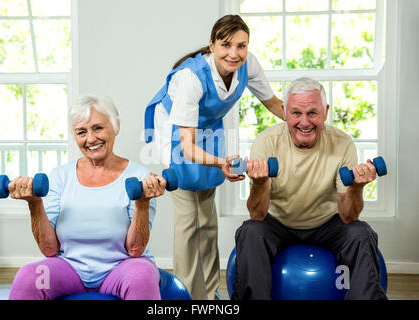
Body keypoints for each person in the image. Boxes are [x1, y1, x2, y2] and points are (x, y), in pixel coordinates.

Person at [144, 14, 284, 300]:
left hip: (208, 129)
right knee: (187, 222)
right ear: (211, 45)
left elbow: (272, 102)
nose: (234, 53)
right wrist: (222, 163)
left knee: (207, 220)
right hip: (176, 132)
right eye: (226, 45)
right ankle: (187, 296)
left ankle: (209, 295)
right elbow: (187, 148)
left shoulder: (248, 65)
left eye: (241, 46)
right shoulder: (190, 78)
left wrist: (302, 120)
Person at [231, 77, 388, 300]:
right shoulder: (266, 142)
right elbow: (257, 214)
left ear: (325, 112)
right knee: (250, 231)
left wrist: (357, 187)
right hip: (278, 223)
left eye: (312, 113)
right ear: (285, 112)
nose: (305, 122)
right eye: (296, 113)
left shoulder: (342, 144)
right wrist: (260, 181)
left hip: (327, 224)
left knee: (361, 233)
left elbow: (348, 216)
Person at [8, 95, 167, 300]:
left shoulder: (140, 178)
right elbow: (49, 249)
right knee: (29, 277)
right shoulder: (59, 176)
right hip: (70, 269)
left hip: (120, 269)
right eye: (81, 132)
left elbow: (135, 250)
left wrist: (142, 204)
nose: (91, 139)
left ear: (116, 126)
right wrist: (34, 203)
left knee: (141, 274)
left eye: (98, 128)